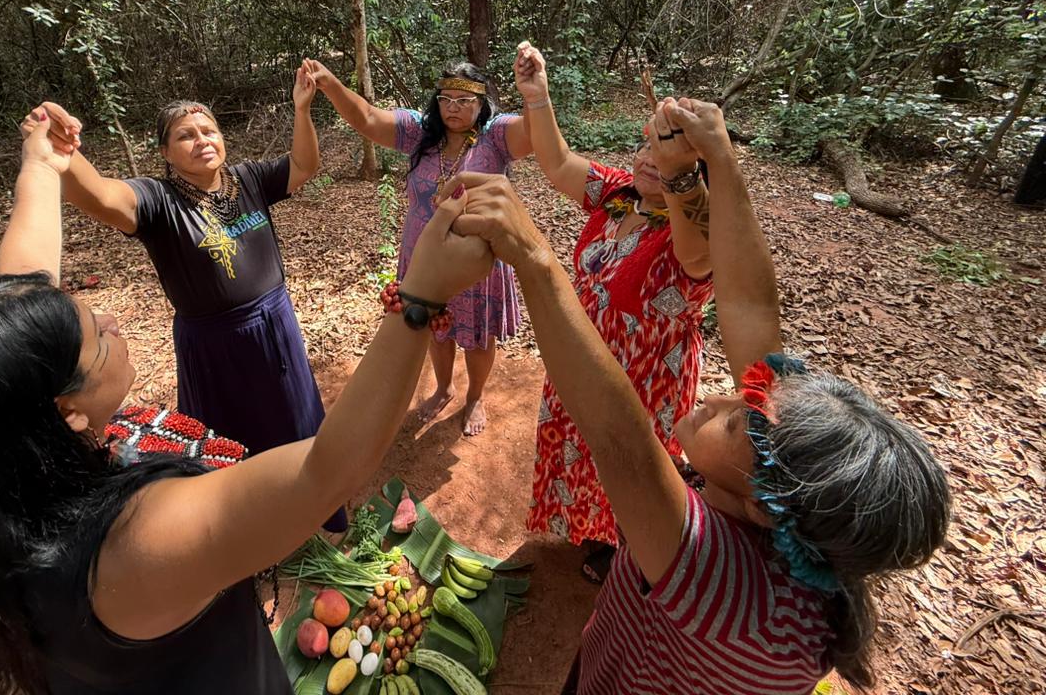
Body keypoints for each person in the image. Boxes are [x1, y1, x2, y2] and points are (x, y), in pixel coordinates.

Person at [0, 109, 494, 695]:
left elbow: (20, 299)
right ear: (65, 410)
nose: (112, 319)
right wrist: (421, 296)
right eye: (95, 334)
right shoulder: (135, 543)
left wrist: (40, 163)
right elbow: (324, 470)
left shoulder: (8, 496)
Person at [439, 99, 950, 694]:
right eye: (746, 400)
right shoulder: (802, 553)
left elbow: (617, 433)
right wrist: (713, 159)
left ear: (765, 507)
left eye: (736, 423)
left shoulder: (712, 575)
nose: (725, 399)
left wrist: (531, 254)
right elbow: (749, 304)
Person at [30, 68, 346, 527]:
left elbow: (304, 166)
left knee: (295, 422)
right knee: (228, 441)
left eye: (208, 131)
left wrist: (302, 109)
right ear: (165, 152)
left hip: (275, 327)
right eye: (186, 135)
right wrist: (64, 151)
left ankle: (314, 517)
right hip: (215, 346)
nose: (202, 140)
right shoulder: (158, 201)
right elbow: (100, 196)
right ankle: (246, 532)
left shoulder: (249, 179)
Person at [513, 43, 714, 581]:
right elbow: (558, 163)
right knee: (586, 449)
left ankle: (629, 552)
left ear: (694, 172)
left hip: (643, 384)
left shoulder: (695, 233)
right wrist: (538, 95)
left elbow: (698, 255)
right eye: (646, 144)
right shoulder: (620, 194)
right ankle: (594, 529)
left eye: (665, 154)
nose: (648, 158)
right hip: (583, 359)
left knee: (632, 464)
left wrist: (679, 174)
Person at [303, 57, 533, 436]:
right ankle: (444, 388)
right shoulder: (418, 133)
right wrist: (329, 84)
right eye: (446, 99)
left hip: (477, 262)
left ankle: (475, 396)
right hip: (424, 257)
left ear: (481, 103)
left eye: (464, 100)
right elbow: (367, 118)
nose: (453, 108)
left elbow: (533, 132)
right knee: (434, 328)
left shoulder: (496, 137)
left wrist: (534, 95)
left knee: (478, 336)